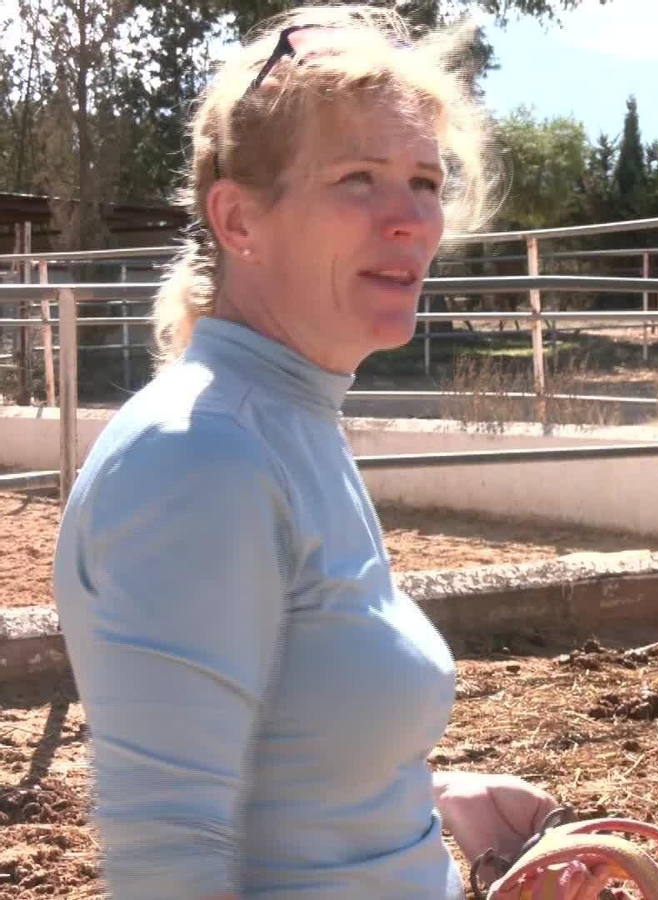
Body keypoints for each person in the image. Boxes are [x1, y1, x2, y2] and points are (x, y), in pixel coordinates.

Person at [51, 6, 571, 897]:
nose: (410, 219)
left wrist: (431, 799)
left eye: (425, 181)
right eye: (358, 178)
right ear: (238, 220)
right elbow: (169, 872)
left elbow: (284, 762)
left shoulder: (284, 424)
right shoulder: (200, 457)